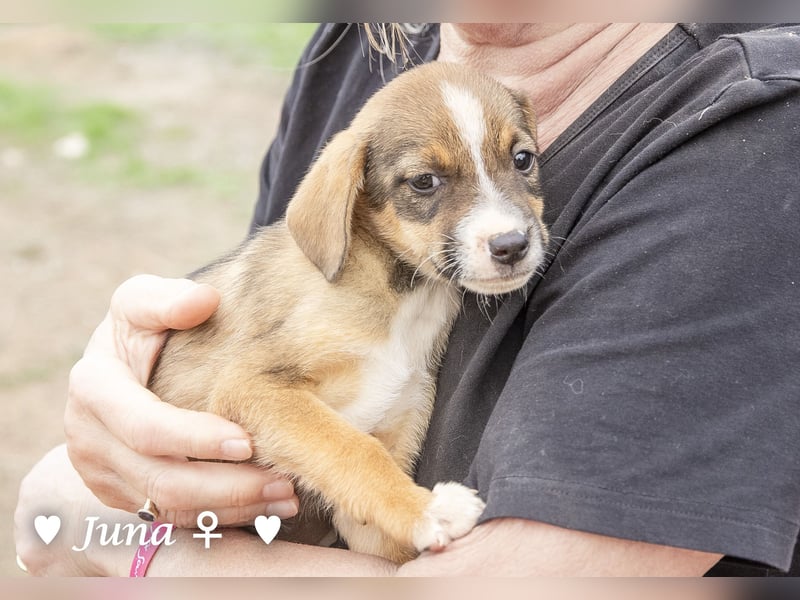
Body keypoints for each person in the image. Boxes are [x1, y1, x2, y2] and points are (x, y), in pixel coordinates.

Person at [14, 22, 800, 576]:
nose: (504, 224)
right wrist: (105, 433)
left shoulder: (747, 143)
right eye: (427, 185)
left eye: (521, 164)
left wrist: (103, 536)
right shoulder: (364, 46)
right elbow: (253, 381)